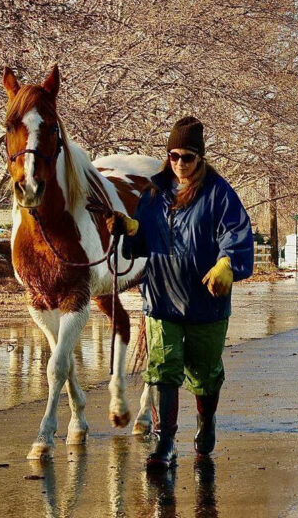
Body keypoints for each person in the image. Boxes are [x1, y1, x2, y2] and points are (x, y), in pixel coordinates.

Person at [108, 116, 254, 470]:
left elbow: (237, 234)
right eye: (174, 155)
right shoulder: (154, 194)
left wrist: (227, 264)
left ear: (200, 158)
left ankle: (205, 424)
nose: (179, 163)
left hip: (206, 301)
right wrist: (129, 230)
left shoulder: (219, 193)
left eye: (187, 157)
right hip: (161, 299)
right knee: (163, 369)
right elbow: (143, 242)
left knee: (205, 376)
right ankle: (166, 443)